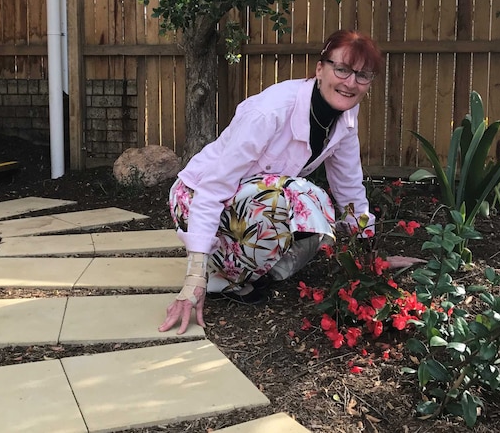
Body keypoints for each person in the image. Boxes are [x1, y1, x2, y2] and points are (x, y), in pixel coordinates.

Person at [159, 29, 382, 335]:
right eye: (342, 69)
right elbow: (213, 188)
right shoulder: (270, 111)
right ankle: (218, 276)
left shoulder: (345, 116)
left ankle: (230, 272)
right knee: (297, 198)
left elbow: (349, 185)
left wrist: (371, 261)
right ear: (320, 69)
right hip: (196, 198)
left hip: (246, 202)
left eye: (363, 75)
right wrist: (193, 279)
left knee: (317, 208)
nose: (350, 82)